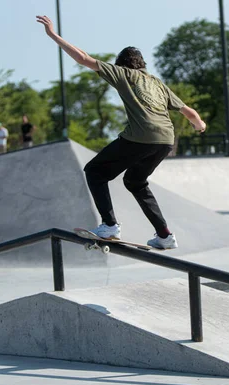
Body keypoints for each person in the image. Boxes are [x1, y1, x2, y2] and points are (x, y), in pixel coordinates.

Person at [37, 15, 206, 249]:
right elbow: (190, 112)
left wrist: (53, 35)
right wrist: (199, 125)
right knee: (136, 182)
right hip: (166, 140)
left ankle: (109, 226)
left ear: (121, 64)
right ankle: (165, 235)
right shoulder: (157, 83)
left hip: (141, 135)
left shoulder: (122, 73)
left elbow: (83, 58)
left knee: (95, 171)